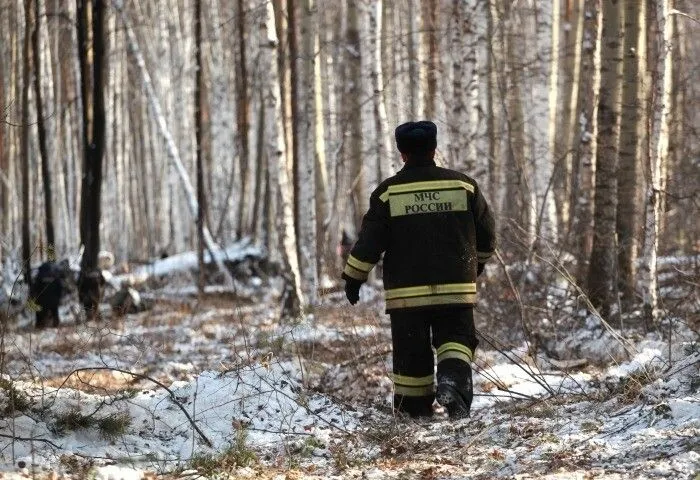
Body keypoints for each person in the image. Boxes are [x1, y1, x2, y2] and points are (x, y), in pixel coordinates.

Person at [341, 121, 496, 419]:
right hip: (455, 288)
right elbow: (488, 235)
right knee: (456, 340)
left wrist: (353, 277)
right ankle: (452, 384)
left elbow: (369, 243)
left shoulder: (388, 193)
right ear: (434, 149)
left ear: (402, 154)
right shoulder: (464, 186)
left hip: (406, 295)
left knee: (411, 351)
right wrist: (477, 264)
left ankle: (414, 412)